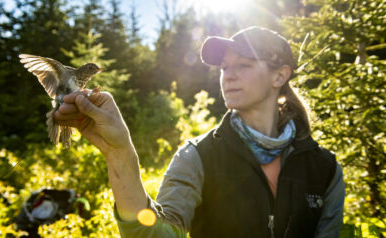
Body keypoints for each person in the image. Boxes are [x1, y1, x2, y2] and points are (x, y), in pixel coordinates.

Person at [54, 26, 345, 238]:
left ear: (280, 75)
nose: (228, 75)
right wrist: (119, 152)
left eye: (243, 65)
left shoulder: (325, 169)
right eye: (224, 67)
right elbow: (157, 234)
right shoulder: (198, 156)